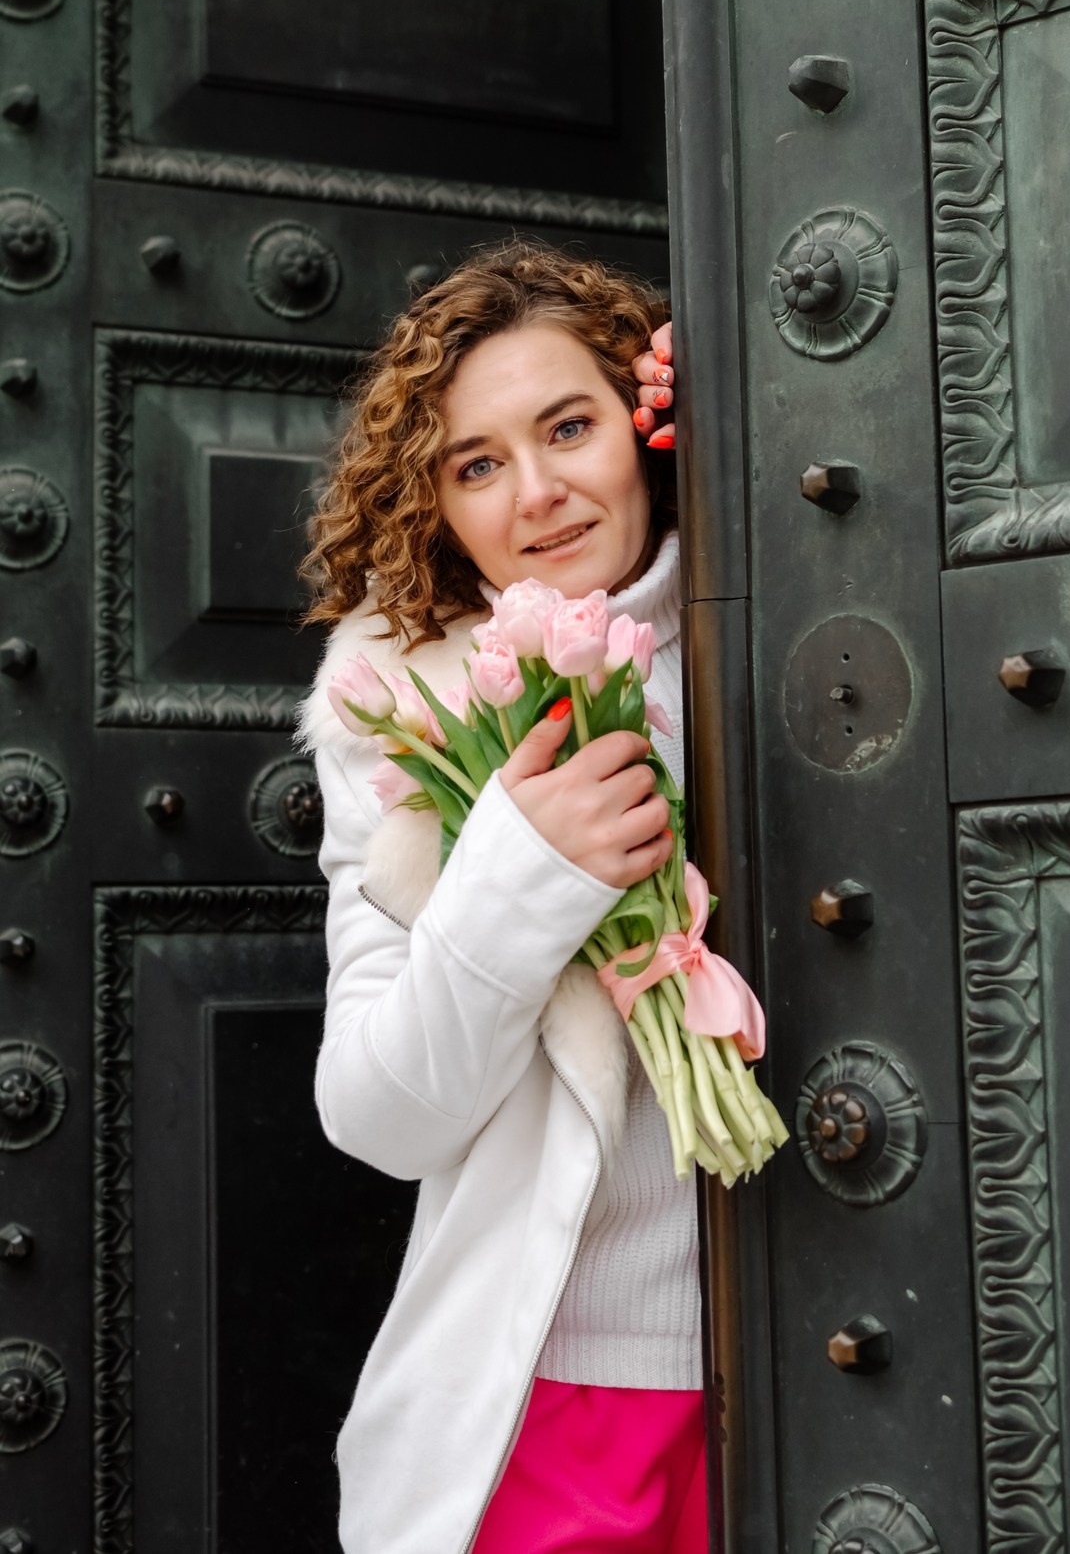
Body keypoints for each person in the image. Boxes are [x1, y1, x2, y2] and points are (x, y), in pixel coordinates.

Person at [298, 241, 705, 1554]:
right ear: (437, 508)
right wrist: (521, 875)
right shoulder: (405, 717)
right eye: (476, 464)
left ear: (641, 429)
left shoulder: (810, 613)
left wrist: (770, 423)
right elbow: (378, 1115)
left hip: (907, 1350)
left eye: (570, 427)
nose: (536, 493)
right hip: (586, 1392)